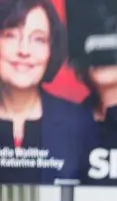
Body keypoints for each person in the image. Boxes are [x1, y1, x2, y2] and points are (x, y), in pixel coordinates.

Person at [0, 0, 92, 179]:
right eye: (11, 35)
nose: (24, 50)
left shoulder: (79, 123)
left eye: (38, 39)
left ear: (51, 50)